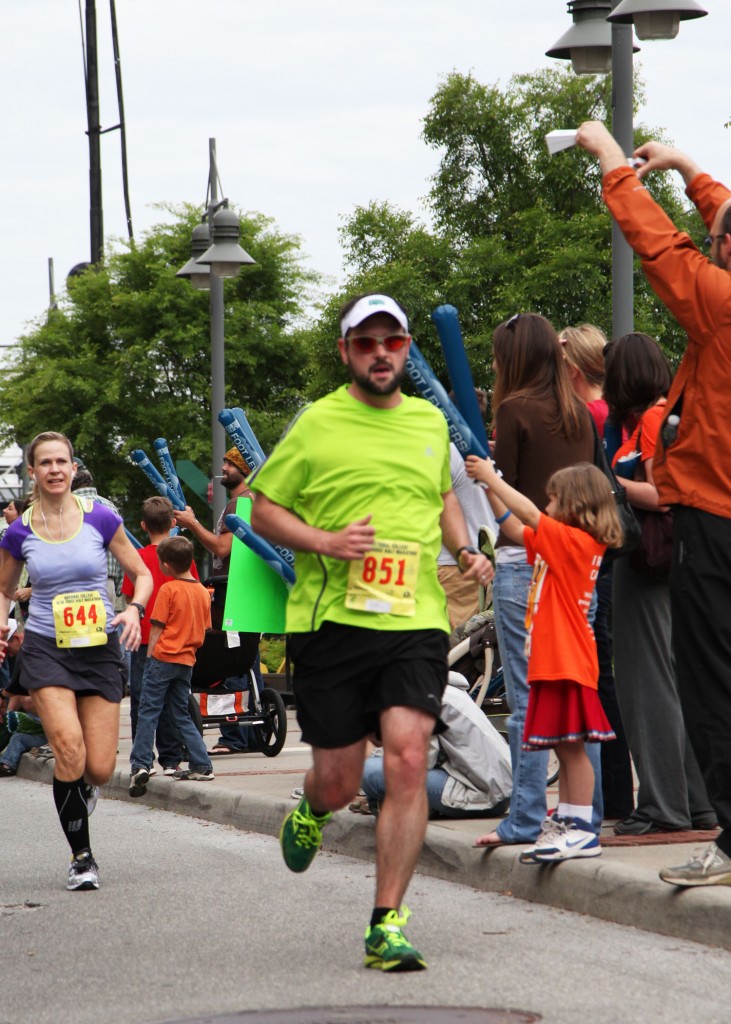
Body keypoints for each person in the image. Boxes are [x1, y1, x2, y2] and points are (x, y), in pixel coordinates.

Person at [249, 292, 491, 971]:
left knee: (409, 754)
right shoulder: (317, 424)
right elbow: (263, 510)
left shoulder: (426, 423)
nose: (379, 352)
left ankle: (386, 920)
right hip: (331, 621)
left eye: (392, 341)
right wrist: (323, 540)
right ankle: (312, 809)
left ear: (407, 350)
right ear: (345, 351)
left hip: (412, 618)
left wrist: (463, 545)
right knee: (337, 777)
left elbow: (440, 498)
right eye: (365, 342)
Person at [575, 121, 731, 887]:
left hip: (717, 517)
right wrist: (690, 168)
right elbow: (720, 224)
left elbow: (659, 246)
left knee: (710, 680)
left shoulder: (723, 306)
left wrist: (610, 158)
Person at [0, 431, 152, 891]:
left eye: (61, 461)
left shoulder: (101, 518)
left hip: (99, 646)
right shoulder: (19, 530)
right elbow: (5, 589)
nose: (54, 469)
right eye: (44, 462)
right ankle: (82, 857)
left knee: (100, 767)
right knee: (68, 748)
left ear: (71, 468)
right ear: (33, 471)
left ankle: (83, 786)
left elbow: (141, 573)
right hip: (47, 646)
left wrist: (133, 609)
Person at [471, 313, 599, 850]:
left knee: (528, 695)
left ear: (513, 360)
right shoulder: (581, 416)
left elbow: (508, 504)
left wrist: (482, 478)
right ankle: (584, 816)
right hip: (577, 566)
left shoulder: (514, 409)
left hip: (526, 562)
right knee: (578, 693)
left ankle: (525, 816)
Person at [467, 455, 622, 860]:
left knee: (572, 748)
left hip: (567, 662)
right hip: (557, 663)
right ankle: (569, 822)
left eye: (554, 500)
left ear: (573, 507)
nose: (547, 506)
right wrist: (489, 489)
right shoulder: (565, 543)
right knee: (567, 744)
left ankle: (582, 828)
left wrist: (492, 477)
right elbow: (516, 528)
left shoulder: (574, 543)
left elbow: (531, 515)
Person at [603, 333, 713, 836]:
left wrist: (607, 483)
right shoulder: (668, 414)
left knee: (647, 686)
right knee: (675, 683)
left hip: (646, 565)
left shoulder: (650, 419)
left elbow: (663, 494)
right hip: (677, 562)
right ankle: (697, 802)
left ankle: (662, 806)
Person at [559, 324, 634, 821]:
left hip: (595, 558)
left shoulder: (587, 417)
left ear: (571, 366)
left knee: (598, 674)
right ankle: (613, 795)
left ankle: (607, 797)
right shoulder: (609, 413)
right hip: (613, 555)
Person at [174, 446, 263, 755]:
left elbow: (222, 548)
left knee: (231, 657)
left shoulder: (240, 503)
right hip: (247, 591)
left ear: (244, 469)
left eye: (229, 463)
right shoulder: (254, 501)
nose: (223, 467)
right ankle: (252, 734)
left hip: (233, 591)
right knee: (247, 657)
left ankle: (233, 736)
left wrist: (192, 523)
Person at [361, 670, 511, 819]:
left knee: (369, 771)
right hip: (501, 793)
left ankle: (385, 804)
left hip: (481, 796)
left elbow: (421, 761)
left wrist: (378, 749)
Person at [129, 535, 214, 797]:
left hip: (163, 657)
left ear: (165, 565)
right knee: (181, 714)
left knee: (149, 710)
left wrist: (152, 657)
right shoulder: (201, 590)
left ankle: (141, 764)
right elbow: (206, 628)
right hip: (187, 661)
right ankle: (202, 763)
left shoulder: (168, 589)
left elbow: (157, 627)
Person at [121, 496, 200, 774]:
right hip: (177, 641)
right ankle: (171, 758)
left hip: (144, 638)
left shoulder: (137, 558)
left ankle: (141, 759)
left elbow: (130, 596)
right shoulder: (183, 557)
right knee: (171, 701)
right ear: (174, 522)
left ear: (143, 525)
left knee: (143, 700)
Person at [437, 440, 497, 630]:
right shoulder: (487, 451)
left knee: (455, 650)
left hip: (455, 567)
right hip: (484, 562)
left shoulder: (446, 452)